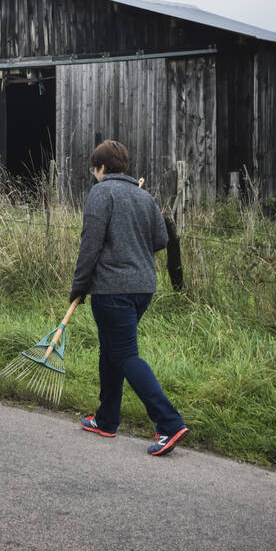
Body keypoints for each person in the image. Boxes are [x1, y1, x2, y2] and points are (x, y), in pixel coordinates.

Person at [71, 140, 188, 455]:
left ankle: (169, 423)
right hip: (143, 289)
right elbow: (161, 239)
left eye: (94, 169)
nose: (94, 175)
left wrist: (78, 285)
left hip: (112, 289)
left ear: (102, 168)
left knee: (125, 355)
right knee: (112, 350)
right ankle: (107, 419)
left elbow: (90, 243)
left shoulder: (101, 193)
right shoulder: (143, 196)